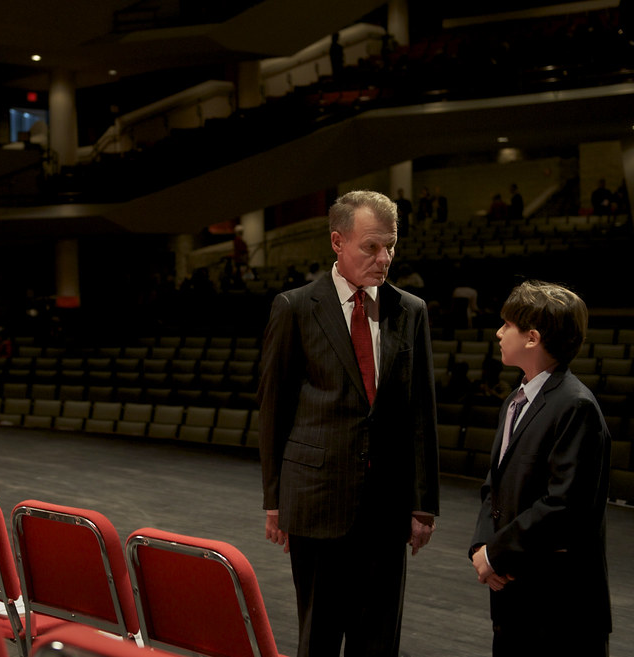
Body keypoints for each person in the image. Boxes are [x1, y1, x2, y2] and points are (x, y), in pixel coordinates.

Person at [257, 190, 439, 657]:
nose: (384, 258)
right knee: (318, 637)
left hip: (386, 504)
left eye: (391, 246)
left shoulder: (410, 311)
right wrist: (275, 500)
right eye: (371, 247)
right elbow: (274, 409)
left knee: (378, 640)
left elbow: (422, 413)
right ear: (338, 242)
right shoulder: (295, 307)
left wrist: (423, 504)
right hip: (316, 500)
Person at [469, 280, 611, 657]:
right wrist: (483, 547)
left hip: (559, 608)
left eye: (507, 326)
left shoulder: (575, 406)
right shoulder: (514, 401)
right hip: (515, 594)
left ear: (532, 338)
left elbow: (563, 506)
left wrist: (496, 554)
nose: (499, 333)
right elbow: (492, 486)